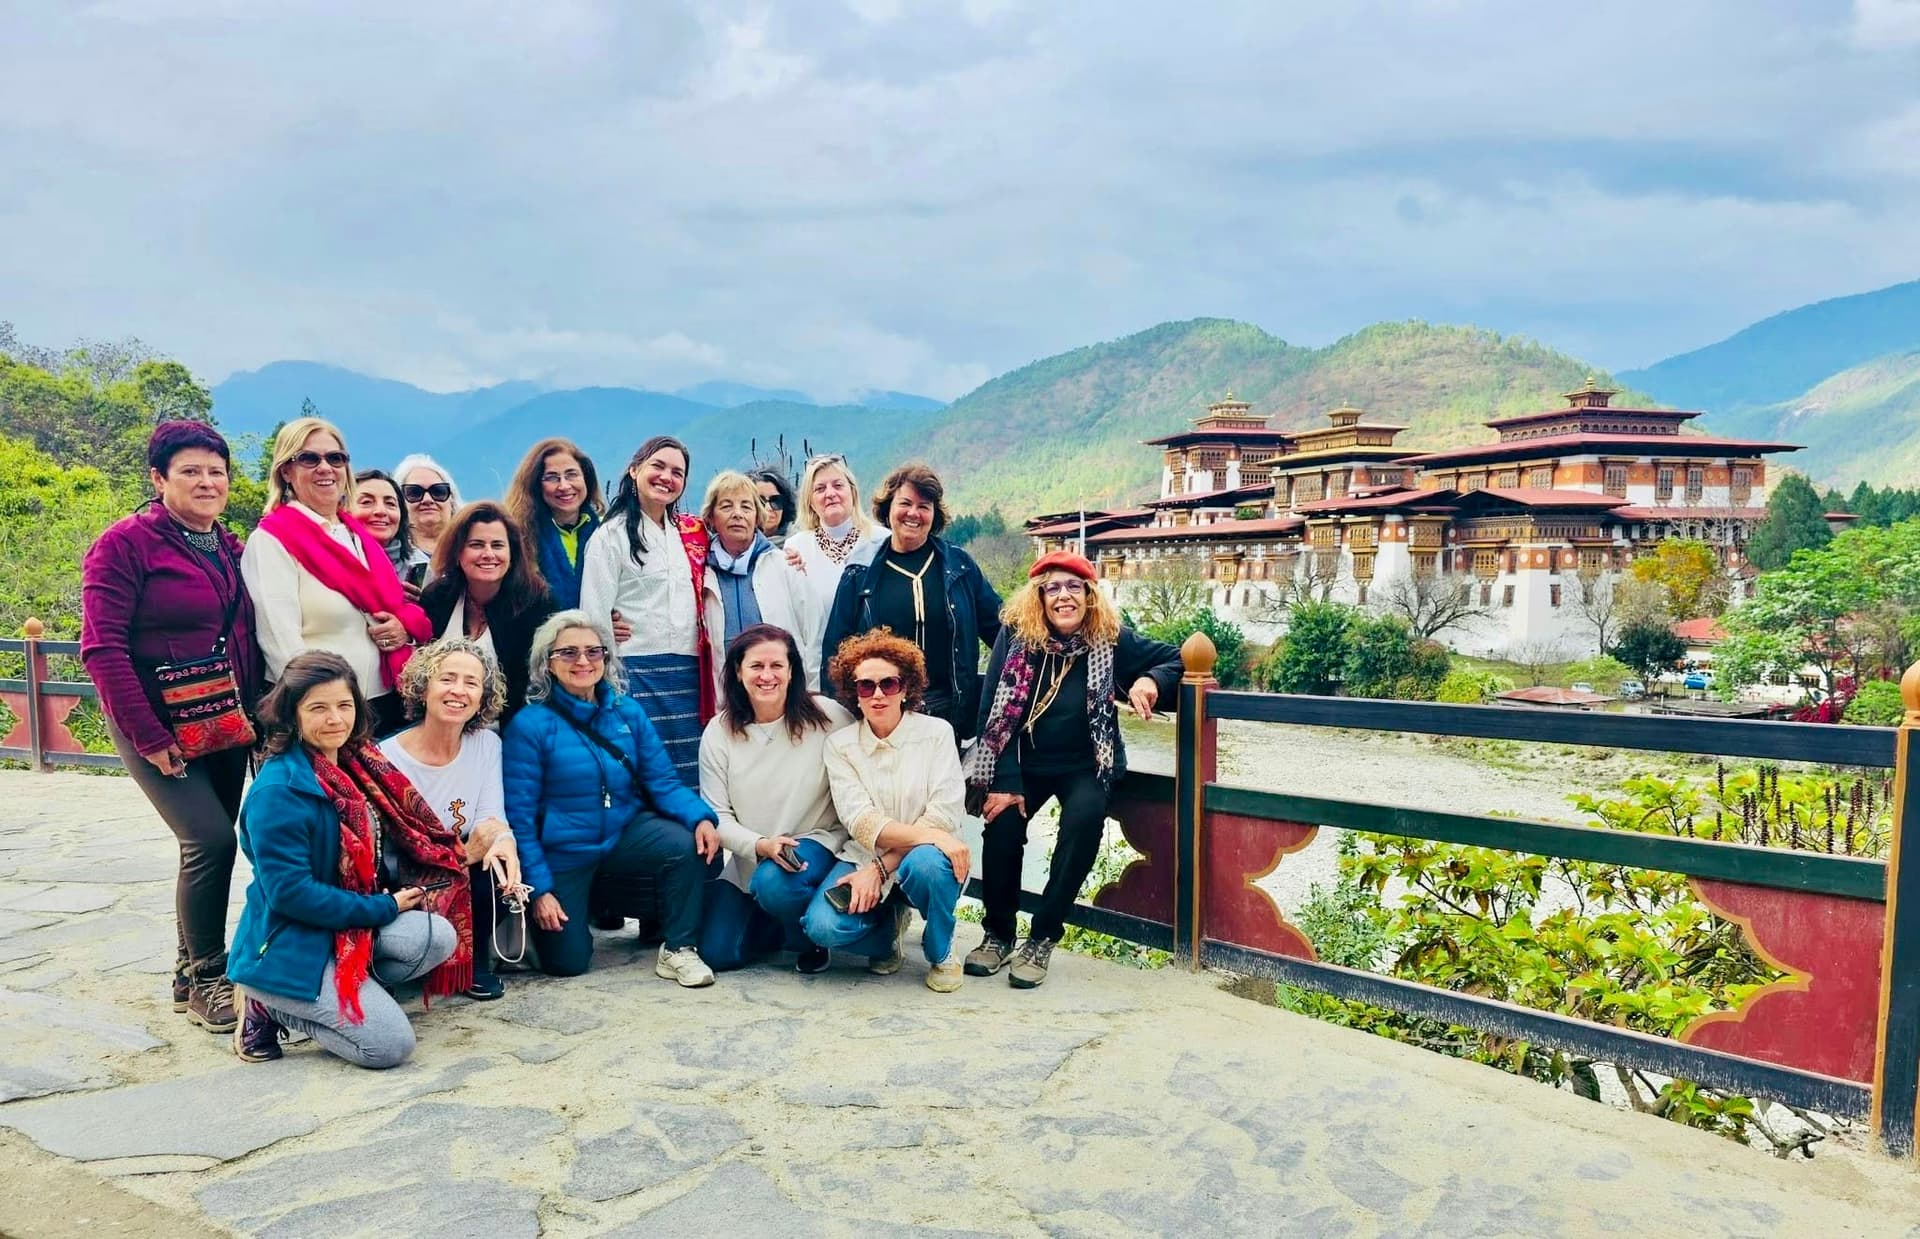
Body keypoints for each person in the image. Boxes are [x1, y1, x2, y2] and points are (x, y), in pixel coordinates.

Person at [81, 421, 264, 1035]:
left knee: (210, 843)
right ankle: (211, 974)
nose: (207, 482)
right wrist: (149, 736)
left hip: (221, 717)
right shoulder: (125, 545)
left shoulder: (230, 547)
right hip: (155, 719)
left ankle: (189, 973)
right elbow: (101, 648)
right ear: (159, 479)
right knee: (210, 841)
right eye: (190, 471)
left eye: (216, 471)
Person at [227, 652, 471, 1070]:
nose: (335, 719)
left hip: (342, 931)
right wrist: (384, 907)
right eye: (318, 708)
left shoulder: (357, 766)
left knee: (434, 936)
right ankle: (268, 1004)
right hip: (291, 940)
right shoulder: (279, 792)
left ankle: (353, 990)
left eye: (344, 705)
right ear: (292, 714)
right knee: (389, 1047)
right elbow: (291, 895)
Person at [963, 551, 1183, 989]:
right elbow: (992, 711)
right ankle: (998, 934)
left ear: (1089, 595)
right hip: (1023, 759)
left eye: (1074, 587)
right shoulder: (1016, 635)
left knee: (1083, 823)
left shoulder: (1110, 638)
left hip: (1086, 762)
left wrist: (1149, 680)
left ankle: (1043, 935)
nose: (1064, 596)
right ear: (1039, 598)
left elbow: (1175, 658)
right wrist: (1005, 782)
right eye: (1053, 588)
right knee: (1002, 825)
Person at [501, 611, 722, 984]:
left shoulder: (627, 711)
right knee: (567, 963)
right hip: (565, 849)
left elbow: (662, 781)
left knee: (686, 844)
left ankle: (678, 948)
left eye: (593, 651)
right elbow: (519, 819)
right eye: (568, 653)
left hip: (622, 832)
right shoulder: (530, 725)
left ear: (607, 657)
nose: (583, 661)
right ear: (547, 664)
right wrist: (540, 891)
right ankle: (563, 920)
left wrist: (701, 817)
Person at [242, 417, 431, 736]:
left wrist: (402, 630)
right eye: (309, 458)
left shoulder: (356, 536)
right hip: (324, 717)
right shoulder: (272, 541)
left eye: (335, 458)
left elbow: (382, 609)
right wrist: (325, 712)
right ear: (286, 471)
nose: (325, 467)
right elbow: (281, 645)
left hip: (384, 705)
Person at [808, 629, 970, 992]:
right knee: (822, 927)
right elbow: (862, 823)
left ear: (906, 687)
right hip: (863, 855)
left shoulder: (937, 733)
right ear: (854, 694)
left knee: (926, 863)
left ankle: (941, 948)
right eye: (865, 686)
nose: (878, 694)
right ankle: (887, 930)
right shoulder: (840, 746)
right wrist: (875, 865)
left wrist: (881, 868)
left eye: (889, 683)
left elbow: (943, 813)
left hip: (925, 860)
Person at [696, 624, 856, 972]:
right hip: (752, 856)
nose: (766, 676)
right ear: (738, 672)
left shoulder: (829, 717)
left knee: (774, 884)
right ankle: (780, 923)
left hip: (815, 843)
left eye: (776, 666)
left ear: (791, 670)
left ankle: (810, 937)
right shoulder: (719, 731)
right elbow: (716, 815)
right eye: (756, 666)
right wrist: (760, 845)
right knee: (717, 954)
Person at [380, 637, 524, 1001]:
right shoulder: (387, 756)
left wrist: (503, 842)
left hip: (463, 867)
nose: (458, 690)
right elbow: (389, 844)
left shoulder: (486, 744)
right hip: (405, 872)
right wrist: (462, 854)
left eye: (471, 683)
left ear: (481, 698)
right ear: (423, 687)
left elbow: (491, 815)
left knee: (493, 867)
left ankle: (473, 962)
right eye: (447, 678)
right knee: (470, 864)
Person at [820, 462, 1002, 742]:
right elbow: (836, 653)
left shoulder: (960, 568)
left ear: (934, 514)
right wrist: (840, 721)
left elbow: (1000, 631)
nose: (913, 513)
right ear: (888, 508)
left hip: (948, 713)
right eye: (905, 503)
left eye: (924, 506)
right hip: (881, 714)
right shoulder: (860, 574)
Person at [579, 435, 715, 785]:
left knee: (693, 769)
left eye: (677, 472)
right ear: (634, 469)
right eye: (658, 466)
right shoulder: (609, 537)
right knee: (645, 769)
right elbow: (594, 617)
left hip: (689, 673)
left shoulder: (691, 535)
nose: (666, 477)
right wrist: (606, 686)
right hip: (634, 671)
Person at [418, 501, 556, 727]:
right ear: (457, 551)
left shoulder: (538, 603)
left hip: (509, 733)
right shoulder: (437, 597)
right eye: (476, 544)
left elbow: (544, 681)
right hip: (439, 727)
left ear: (512, 552)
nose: (488, 554)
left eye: (498, 545)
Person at [700, 471, 819, 694]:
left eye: (746, 507)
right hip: (726, 698)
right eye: (726, 506)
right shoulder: (700, 572)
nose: (737, 514)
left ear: (757, 517)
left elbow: (813, 633)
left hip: (783, 694)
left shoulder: (785, 565)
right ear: (711, 519)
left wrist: (810, 690)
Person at [783, 454, 884, 676]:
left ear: (852, 492)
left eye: (838, 485)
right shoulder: (796, 549)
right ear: (809, 500)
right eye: (819, 489)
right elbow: (795, 626)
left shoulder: (882, 542)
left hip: (878, 675)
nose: (830, 493)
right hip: (819, 675)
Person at [504, 438, 604, 611]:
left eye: (572, 474)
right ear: (535, 484)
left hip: (597, 635)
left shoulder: (607, 532)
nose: (564, 486)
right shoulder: (517, 538)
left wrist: (613, 618)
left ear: (586, 478)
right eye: (552, 477)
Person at [351, 469, 430, 598]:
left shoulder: (419, 566)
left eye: (390, 504)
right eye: (366, 502)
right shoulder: (327, 560)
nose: (381, 511)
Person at [393, 453, 462, 567]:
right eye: (415, 493)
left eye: (438, 492)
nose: (427, 500)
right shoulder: (388, 557)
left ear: (452, 501)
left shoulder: (473, 550)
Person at [749, 468, 797, 546]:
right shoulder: (735, 546)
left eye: (775, 501)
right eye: (760, 502)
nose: (768, 508)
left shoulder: (800, 542)